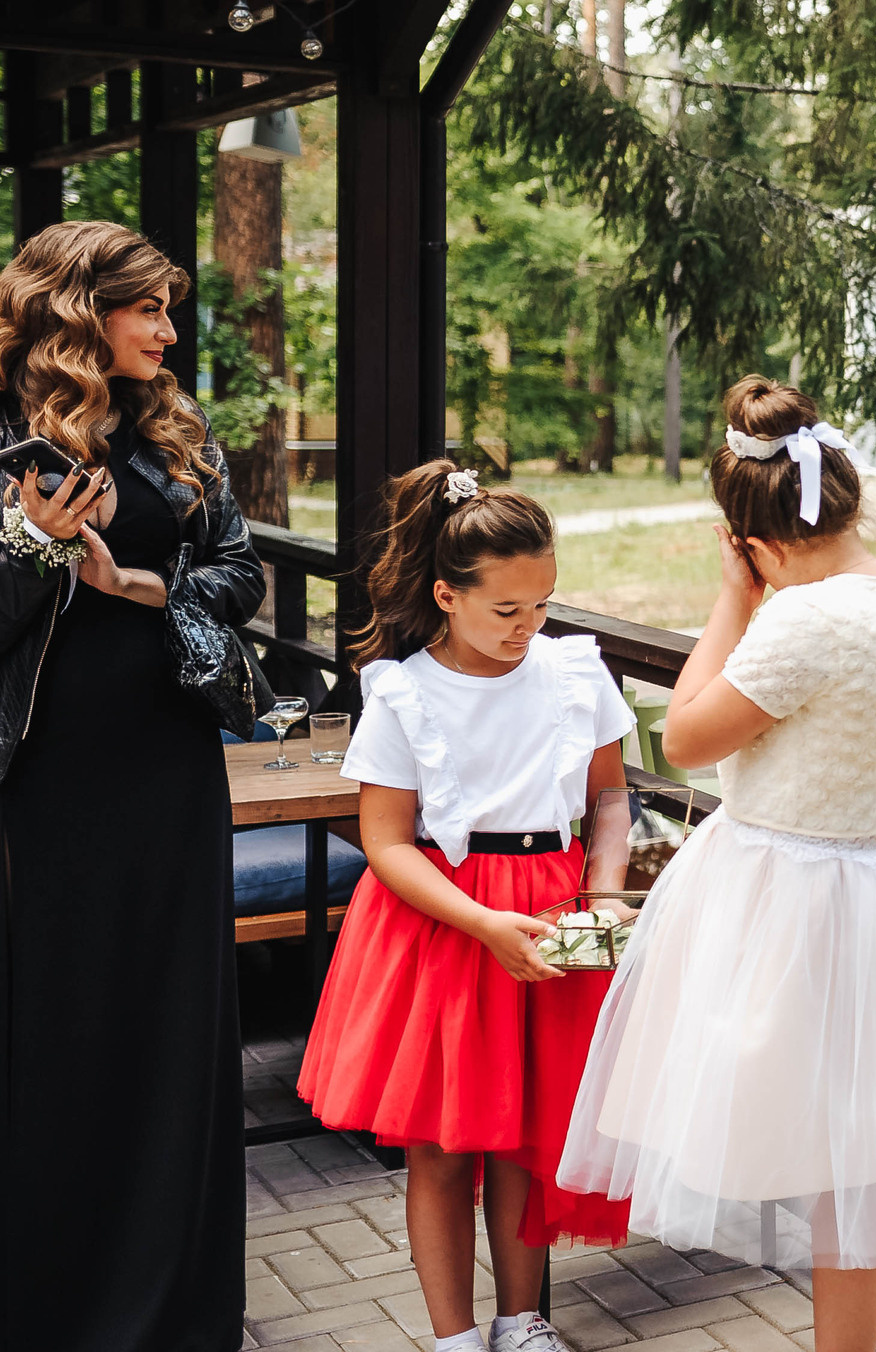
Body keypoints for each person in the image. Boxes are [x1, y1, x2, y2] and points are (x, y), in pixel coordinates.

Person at [559, 378, 876, 1352]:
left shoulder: (803, 621)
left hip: (791, 904)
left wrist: (732, 599)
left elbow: (681, 736)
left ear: (754, 539)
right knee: (856, 1162)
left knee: (796, 1136)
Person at [295, 462, 638, 1352]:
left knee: (527, 1137)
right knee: (444, 1148)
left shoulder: (575, 672)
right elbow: (386, 842)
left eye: (543, 605)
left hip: (552, 917)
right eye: (507, 609)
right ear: (447, 595)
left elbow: (608, 801)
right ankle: (454, 1339)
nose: (529, 627)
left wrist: (603, 896)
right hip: (446, 924)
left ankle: (521, 1323)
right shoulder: (403, 692)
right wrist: (483, 924)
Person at [0, 222, 266, 1352]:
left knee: (173, 1021)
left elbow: (242, 574)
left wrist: (142, 584)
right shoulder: (3, 435)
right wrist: (31, 551)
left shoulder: (173, 430)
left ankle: (176, 1306)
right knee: (56, 1025)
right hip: (40, 781)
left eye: (170, 309)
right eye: (146, 309)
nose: (167, 331)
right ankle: (51, 1308)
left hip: (168, 768)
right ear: (78, 310)